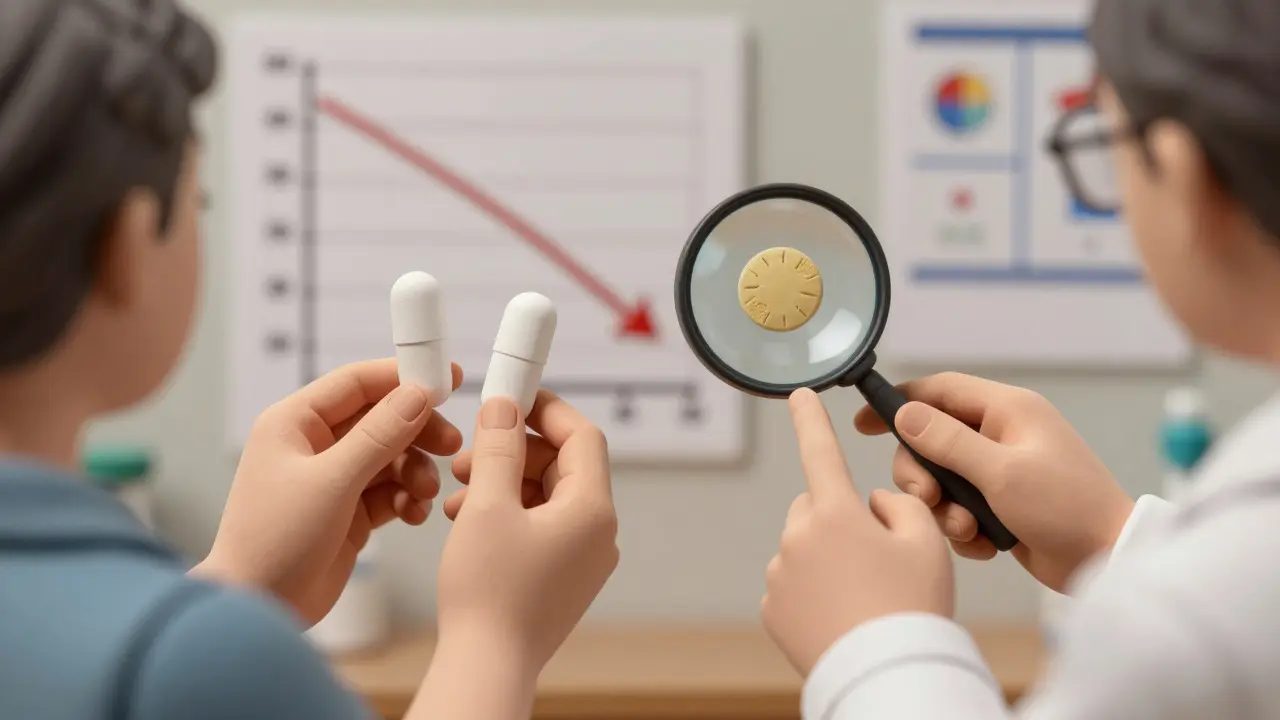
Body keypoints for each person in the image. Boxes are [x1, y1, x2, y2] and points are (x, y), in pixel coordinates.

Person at [0, 1, 619, 718]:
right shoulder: (185, 664)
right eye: (200, 201)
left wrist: (238, 580)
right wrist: (498, 636)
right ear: (128, 247)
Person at [760, 0, 1280, 717]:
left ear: (1185, 175)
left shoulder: (1182, 629)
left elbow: (1218, 627)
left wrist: (876, 648)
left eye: (1109, 144)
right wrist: (1114, 540)